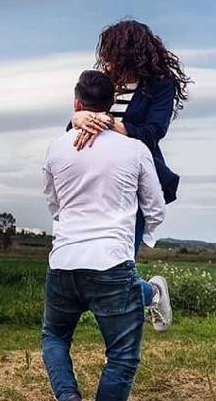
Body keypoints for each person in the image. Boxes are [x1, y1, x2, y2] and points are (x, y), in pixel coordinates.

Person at [40, 69, 173, 401]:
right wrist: (140, 237)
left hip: (63, 263)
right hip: (111, 264)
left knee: (54, 336)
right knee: (121, 357)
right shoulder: (134, 151)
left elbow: (53, 204)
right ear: (111, 103)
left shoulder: (57, 148)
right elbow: (154, 208)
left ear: (77, 103)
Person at [70, 20, 192, 256]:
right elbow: (78, 123)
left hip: (133, 175)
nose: (108, 59)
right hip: (92, 172)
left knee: (123, 255)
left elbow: (153, 131)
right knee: (88, 253)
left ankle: (146, 292)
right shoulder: (102, 81)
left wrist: (113, 124)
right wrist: (77, 119)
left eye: (114, 53)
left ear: (132, 55)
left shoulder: (160, 86)